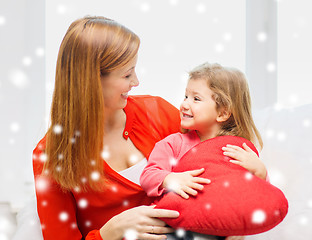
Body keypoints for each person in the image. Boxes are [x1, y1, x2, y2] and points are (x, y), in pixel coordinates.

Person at [33, 16, 248, 240]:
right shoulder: (49, 155)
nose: (136, 82)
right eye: (127, 74)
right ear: (91, 81)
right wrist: (108, 233)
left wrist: (235, 226)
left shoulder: (158, 112)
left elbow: (218, 164)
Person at [140, 63, 267, 236]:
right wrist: (170, 179)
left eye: (196, 99)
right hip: (171, 226)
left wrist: (260, 171)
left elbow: (258, 197)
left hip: (215, 229)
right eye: (185, 96)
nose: (184, 104)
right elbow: (148, 177)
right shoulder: (173, 143)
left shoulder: (237, 151)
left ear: (223, 112)